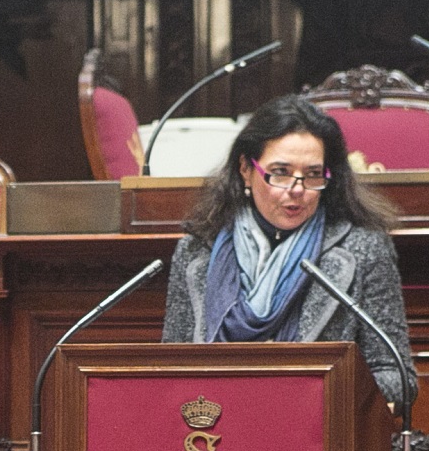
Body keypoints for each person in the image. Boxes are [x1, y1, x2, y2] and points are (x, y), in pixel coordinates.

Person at [161, 94, 415, 409]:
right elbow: (168, 372)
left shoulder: (363, 250)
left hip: (316, 436)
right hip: (214, 434)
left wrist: (312, 392)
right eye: (280, 172)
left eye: (312, 175)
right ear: (245, 169)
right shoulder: (197, 249)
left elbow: (398, 376)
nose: (297, 189)